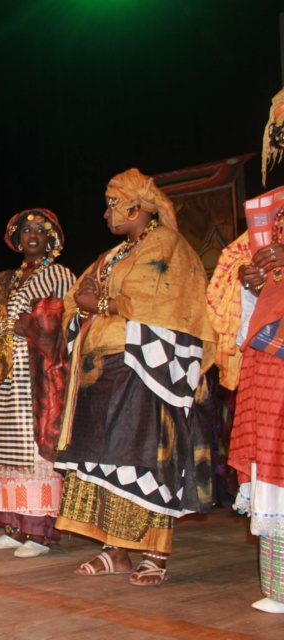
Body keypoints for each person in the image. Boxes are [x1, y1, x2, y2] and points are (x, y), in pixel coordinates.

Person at [55, 168, 215, 586]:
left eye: (112, 204)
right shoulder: (112, 255)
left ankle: (154, 553)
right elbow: (77, 298)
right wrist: (88, 304)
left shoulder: (168, 246)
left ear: (135, 206)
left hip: (146, 367)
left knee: (144, 456)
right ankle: (115, 551)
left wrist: (103, 300)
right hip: (100, 371)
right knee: (103, 458)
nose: (106, 214)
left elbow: (166, 300)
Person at [0, 209, 75, 557]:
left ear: (52, 238)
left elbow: (66, 318)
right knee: (1, 444)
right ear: (17, 239)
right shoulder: (6, 280)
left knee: (30, 445)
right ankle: (12, 527)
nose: (32, 235)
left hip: (35, 373)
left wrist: (31, 322)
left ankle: (38, 533)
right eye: (26, 230)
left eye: (40, 229)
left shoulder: (60, 275)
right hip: (1, 372)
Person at [208, 87, 284, 613]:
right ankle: (279, 586)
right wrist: (251, 281)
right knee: (273, 454)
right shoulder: (270, 210)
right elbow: (228, 297)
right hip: (272, 352)